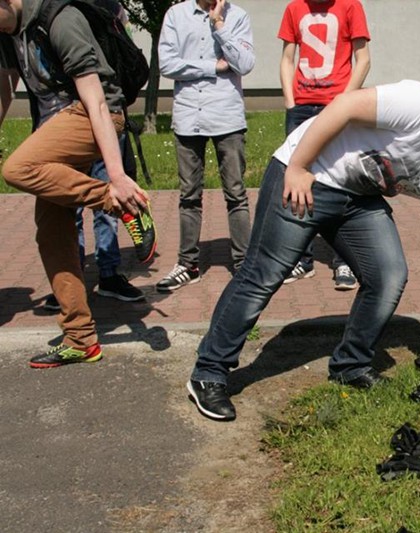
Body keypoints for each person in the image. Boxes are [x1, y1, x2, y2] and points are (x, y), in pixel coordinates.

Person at [185, 79, 420, 421]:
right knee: (264, 273)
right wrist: (299, 166)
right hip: (310, 174)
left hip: (357, 199)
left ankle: (350, 365)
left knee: (389, 275)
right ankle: (208, 373)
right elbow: (346, 105)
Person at [0, 0, 157, 368]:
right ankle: (80, 339)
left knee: (19, 168)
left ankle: (121, 202)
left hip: (95, 115)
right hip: (55, 125)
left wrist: (116, 178)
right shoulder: (8, 31)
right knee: (52, 234)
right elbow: (3, 92)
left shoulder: (60, 19)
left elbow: (98, 102)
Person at [156, 0, 254, 291]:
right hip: (189, 116)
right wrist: (213, 66)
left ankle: (244, 263)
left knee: (236, 193)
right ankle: (188, 264)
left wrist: (219, 25)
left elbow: (244, 64)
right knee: (189, 195)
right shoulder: (176, 15)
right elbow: (167, 64)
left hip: (227, 116)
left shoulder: (237, 16)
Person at [278, 0, 371, 290]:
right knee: (297, 178)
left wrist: (344, 102)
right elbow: (287, 59)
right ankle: (301, 258)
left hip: (336, 106)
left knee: (341, 178)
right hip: (301, 108)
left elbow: (363, 59)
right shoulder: (294, 8)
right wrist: (290, 102)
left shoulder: (350, 6)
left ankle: (344, 260)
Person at [42, 133, 145, 311]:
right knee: (70, 209)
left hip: (107, 133)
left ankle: (109, 275)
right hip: (66, 135)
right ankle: (71, 280)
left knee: (109, 204)